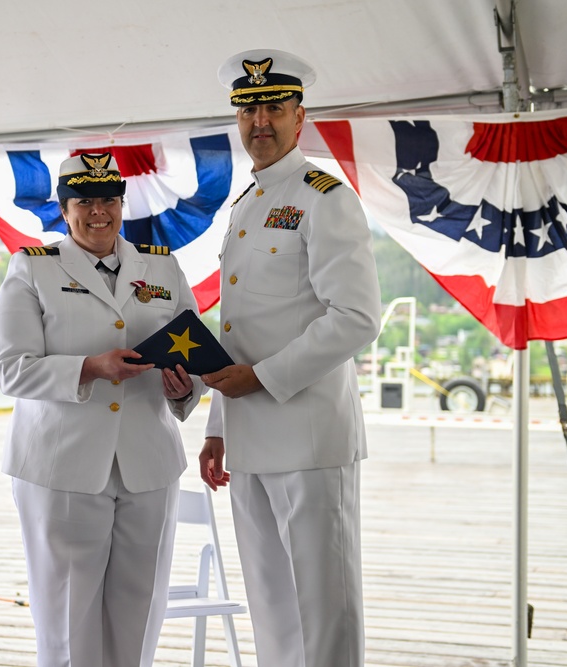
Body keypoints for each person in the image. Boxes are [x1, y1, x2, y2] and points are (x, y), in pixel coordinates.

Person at [199, 49, 382, 667]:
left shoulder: (324, 196)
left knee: (322, 607)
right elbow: (240, 327)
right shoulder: (245, 205)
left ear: (299, 116)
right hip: (248, 436)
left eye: (273, 108)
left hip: (307, 438)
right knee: (271, 607)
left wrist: (263, 378)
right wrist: (219, 425)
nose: (260, 123)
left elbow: (356, 317)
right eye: (249, 111)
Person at [0, 152, 206, 667]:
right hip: (60, 465)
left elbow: (196, 355)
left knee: (141, 607)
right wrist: (89, 367)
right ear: (64, 210)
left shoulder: (162, 267)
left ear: (121, 204)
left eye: (108, 199)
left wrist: (182, 389)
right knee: (67, 612)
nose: (98, 211)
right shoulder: (32, 269)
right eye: (84, 200)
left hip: (148, 463)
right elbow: (10, 368)